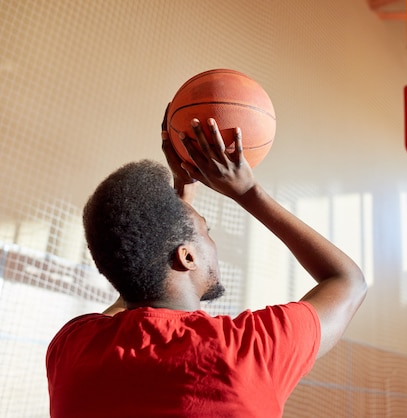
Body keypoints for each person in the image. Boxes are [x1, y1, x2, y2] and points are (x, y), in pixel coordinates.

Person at [46, 116, 367, 418]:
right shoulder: (247, 351)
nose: (213, 245)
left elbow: (133, 285)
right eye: (206, 231)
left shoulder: (72, 349)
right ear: (187, 257)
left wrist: (180, 205)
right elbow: (348, 281)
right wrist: (249, 193)